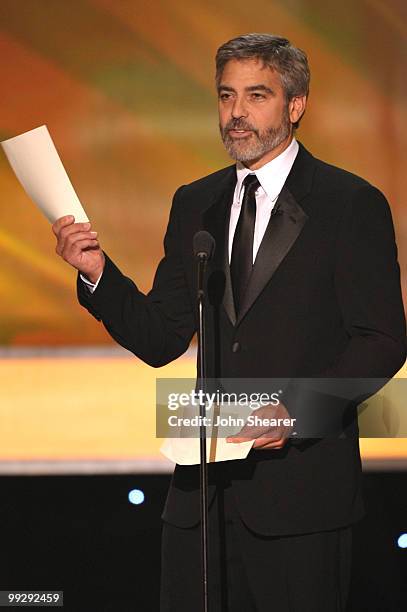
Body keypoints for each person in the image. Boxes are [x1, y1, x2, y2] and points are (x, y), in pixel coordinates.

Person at [53, 34, 406, 612]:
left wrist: (296, 410)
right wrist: (98, 274)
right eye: (226, 95)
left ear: (296, 106)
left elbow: (382, 339)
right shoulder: (196, 203)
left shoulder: (350, 204)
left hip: (300, 503)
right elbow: (161, 337)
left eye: (256, 95)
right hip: (200, 508)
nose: (236, 113)